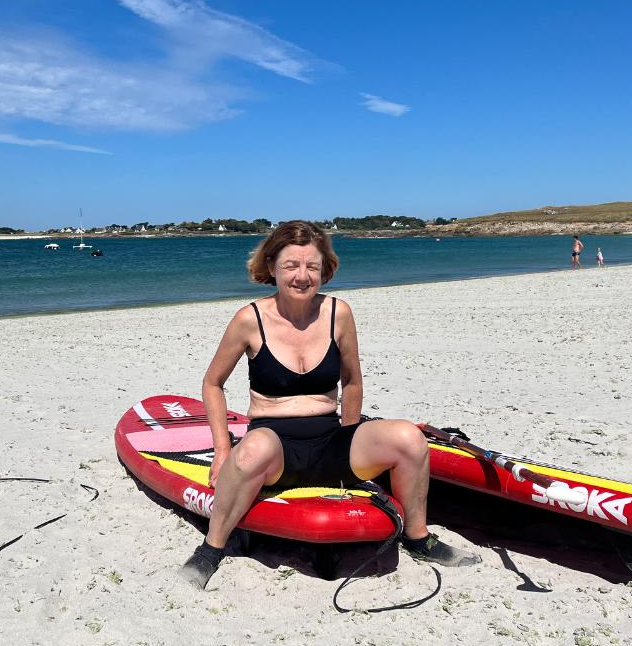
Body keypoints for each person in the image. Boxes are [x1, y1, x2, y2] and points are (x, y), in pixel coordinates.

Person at [181, 220, 481, 588]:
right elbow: (213, 383)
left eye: (312, 266)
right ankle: (211, 549)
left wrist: (350, 437)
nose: (302, 276)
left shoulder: (339, 313)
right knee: (253, 449)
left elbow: (352, 380)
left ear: (326, 269)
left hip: (330, 440)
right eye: (291, 265)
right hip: (274, 448)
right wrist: (223, 449)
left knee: (409, 438)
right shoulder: (250, 319)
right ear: (272, 265)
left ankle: (417, 537)